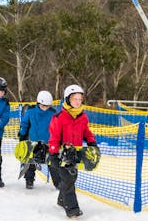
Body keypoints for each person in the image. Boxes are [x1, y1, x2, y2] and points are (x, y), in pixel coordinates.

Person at [48, 84, 98, 218]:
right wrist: (53, 153)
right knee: (68, 178)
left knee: (71, 178)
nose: (77, 102)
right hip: (61, 153)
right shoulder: (59, 117)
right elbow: (54, 137)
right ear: (67, 99)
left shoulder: (83, 117)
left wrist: (92, 142)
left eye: (79, 99)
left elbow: (86, 132)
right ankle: (72, 209)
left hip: (75, 154)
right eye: (74, 99)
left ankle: (61, 199)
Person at [18, 90, 59, 189]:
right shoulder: (31, 111)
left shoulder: (53, 113)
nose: (45, 108)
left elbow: (58, 126)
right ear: (38, 103)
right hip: (33, 142)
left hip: (48, 143)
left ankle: (58, 183)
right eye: (43, 106)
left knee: (52, 163)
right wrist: (22, 134)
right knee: (30, 162)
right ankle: (29, 180)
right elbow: (24, 124)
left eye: (47, 106)